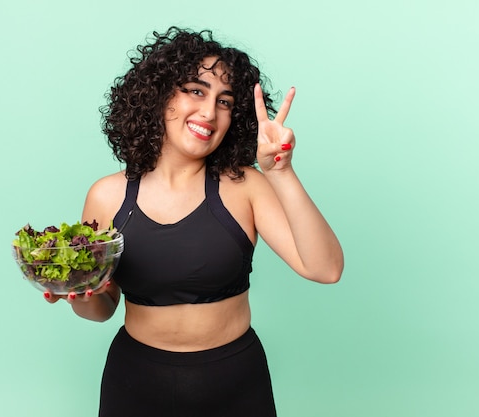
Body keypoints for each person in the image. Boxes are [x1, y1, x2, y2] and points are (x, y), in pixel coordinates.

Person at [45, 26, 344, 417]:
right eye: (196, 91)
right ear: (160, 93)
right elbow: (103, 309)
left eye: (225, 101)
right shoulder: (108, 195)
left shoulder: (246, 186)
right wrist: (79, 295)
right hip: (134, 383)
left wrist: (281, 172)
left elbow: (326, 269)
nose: (209, 112)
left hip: (236, 383)